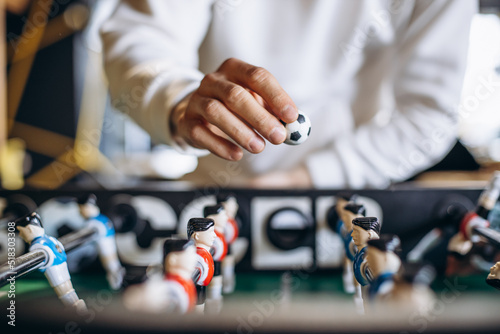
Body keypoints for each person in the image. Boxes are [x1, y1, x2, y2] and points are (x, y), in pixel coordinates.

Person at [100, 1, 476, 189]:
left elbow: (429, 113)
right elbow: (141, 41)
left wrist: (314, 176)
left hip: (351, 202)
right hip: (215, 197)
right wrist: (180, 102)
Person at [16, 213, 87, 312]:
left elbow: (41, 265)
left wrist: (42, 268)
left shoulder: (36, 246)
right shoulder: (51, 238)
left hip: (53, 269)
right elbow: (61, 249)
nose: (20, 235)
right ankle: (78, 306)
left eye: (21, 231)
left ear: (29, 230)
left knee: (63, 292)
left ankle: (74, 311)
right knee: (69, 289)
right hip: (62, 265)